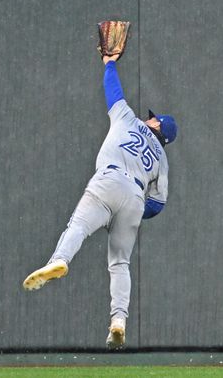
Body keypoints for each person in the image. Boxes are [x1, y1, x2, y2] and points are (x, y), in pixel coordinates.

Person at [22, 53, 177, 349]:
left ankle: (59, 261)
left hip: (109, 180)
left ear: (157, 124)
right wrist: (132, 213)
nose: (149, 117)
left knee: (78, 226)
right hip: (134, 197)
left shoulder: (128, 119)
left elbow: (113, 91)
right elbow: (157, 205)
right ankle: (118, 320)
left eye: (153, 117)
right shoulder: (162, 160)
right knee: (120, 263)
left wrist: (109, 63)